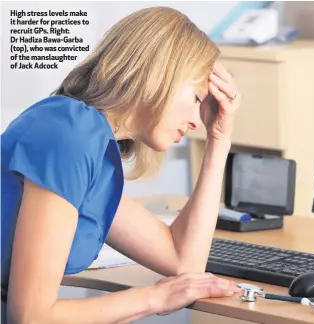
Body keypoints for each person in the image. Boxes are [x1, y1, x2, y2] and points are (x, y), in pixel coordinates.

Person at [1, 6, 241, 324]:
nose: (197, 120)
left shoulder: (94, 148)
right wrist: (154, 297)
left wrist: (219, 140)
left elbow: (183, 260)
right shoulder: (71, 134)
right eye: (197, 99)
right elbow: (31, 317)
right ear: (160, 74)